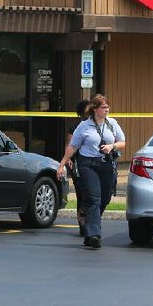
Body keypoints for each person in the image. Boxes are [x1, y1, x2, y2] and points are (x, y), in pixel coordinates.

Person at [57, 94, 125, 249]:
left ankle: (89, 226)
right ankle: (94, 235)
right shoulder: (84, 126)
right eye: (103, 107)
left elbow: (122, 142)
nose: (106, 109)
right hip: (88, 165)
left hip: (106, 164)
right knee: (94, 198)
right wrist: (62, 164)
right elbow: (73, 146)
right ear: (95, 109)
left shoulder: (112, 124)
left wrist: (112, 146)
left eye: (107, 106)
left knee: (105, 198)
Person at [64, 99, 91, 235]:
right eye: (87, 111)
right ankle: (84, 225)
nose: (90, 114)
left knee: (94, 195)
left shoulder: (97, 125)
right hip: (78, 165)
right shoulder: (75, 128)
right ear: (80, 113)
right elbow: (69, 145)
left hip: (94, 165)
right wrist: (68, 159)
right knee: (82, 195)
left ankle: (90, 222)